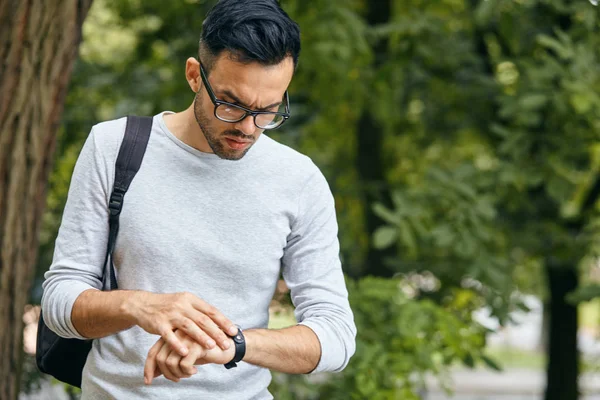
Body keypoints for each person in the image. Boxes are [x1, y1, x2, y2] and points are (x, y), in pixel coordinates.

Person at [41, 0, 356, 398]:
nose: (247, 127)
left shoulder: (299, 180)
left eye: (269, 111)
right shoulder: (114, 147)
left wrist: (234, 345)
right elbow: (58, 300)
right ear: (194, 75)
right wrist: (139, 306)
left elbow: (336, 336)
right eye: (231, 104)